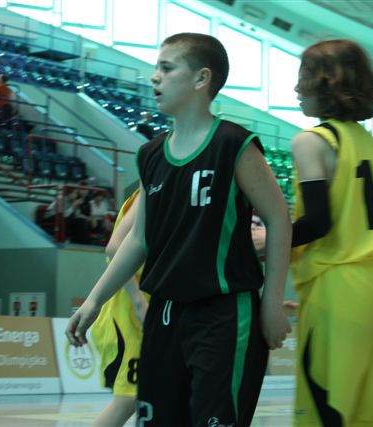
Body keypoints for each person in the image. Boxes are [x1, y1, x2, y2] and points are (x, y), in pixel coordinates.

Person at [66, 32, 292, 426]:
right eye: (156, 67)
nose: (154, 76)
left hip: (224, 314)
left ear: (201, 78)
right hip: (165, 315)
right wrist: (94, 300)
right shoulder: (150, 155)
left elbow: (278, 220)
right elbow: (138, 240)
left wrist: (271, 303)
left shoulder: (233, 144)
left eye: (167, 68)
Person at [289, 39, 373, 426]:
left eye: (304, 75)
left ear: (328, 82)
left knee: (327, 410)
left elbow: (317, 223)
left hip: (337, 289)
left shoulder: (311, 141)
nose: (297, 87)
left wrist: (270, 239)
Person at [90, 189, 148, 427]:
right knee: (127, 400)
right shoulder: (148, 192)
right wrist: (139, 302)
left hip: (154, 311)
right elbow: (114, 247)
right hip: (129, 315)